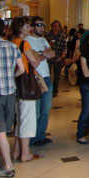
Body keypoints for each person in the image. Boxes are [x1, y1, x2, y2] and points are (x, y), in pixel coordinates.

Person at [0, 18, 25, 178]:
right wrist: (10, 76)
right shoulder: (12, 46)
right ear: (4, 30)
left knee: (0, 129)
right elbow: (22, 69)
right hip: (10, 93)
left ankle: (8, 168)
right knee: (2, 129)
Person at [10, 17, 44, 163]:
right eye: (27, 26)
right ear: (21, 28)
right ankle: (26, 152)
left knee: (19, 119)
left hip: (16, 85)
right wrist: (38, 56)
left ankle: (16, 150)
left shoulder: (12, 43)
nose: (29, 28)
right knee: (27, 119)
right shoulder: (25, 43)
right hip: (26, 85)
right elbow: (34, 62)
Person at [26, 16, 55, 146]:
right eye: (38, 25)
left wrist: (39, 54)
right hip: (35, 78)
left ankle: (41, 135)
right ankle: (33, 138)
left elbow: (52, 54)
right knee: (36, 111)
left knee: (45, 109)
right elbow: (33, 59)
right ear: (32, 27)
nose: (41, 27)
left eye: (43, 25)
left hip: (47, 77)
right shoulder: (27, 40)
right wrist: (43, 54)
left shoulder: (44, 40)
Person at [45, 20, 67, 97]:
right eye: (54, 25)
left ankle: (55, 90)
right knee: (48, 74)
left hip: (58, 57)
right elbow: (44, 46)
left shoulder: (62, 36)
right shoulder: (47, 35)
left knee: (57, 76)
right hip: (49, 58)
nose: (55, 27)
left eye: (57, 25)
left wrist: (63, 55)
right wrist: (49, 45)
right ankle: (48, 90)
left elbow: (64, 47)